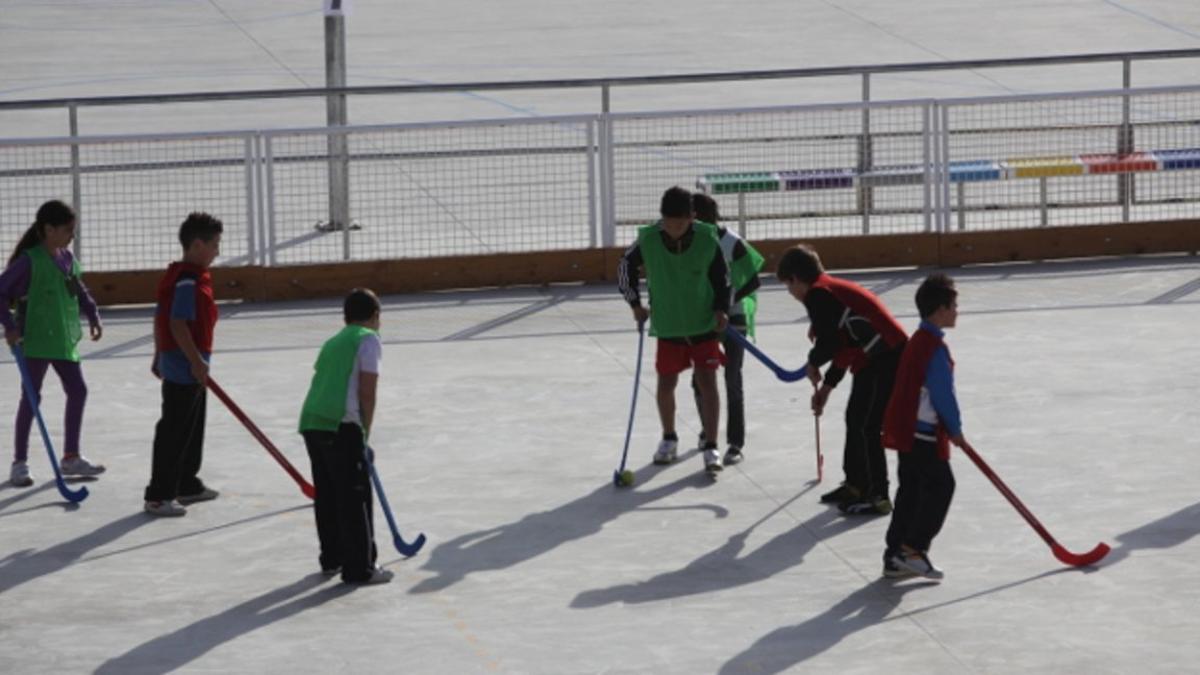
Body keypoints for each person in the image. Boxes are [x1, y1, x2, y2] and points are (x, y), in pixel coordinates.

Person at [775, 244, 907, 515]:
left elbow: (830, 343)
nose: (791, 294)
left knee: (870, 426)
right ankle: (857, 483)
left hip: (889, 356)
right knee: (855, 417)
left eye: (789, 287)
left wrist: (813, 362)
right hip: (871, 357)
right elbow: (845, 347)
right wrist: (826, 387)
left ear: (796, 280)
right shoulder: (829, 292)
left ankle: (879, 495)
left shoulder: (819, 294)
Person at [617, 186, 731, 475]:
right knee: (666, 384)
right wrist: (635, 305)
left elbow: (722, 278)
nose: (673, 228)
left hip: (703, 324)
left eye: (680, 222)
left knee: (708, 384)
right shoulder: (649, 239)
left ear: (692, 218)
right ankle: (669, 438)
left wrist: (721, 309)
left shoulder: (707, 238)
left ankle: (711, 445)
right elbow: (624, 269)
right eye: (668, 222)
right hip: (667, 326)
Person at [1, 200, 106, 487]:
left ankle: (71, 457)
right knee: (32, 400)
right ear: (48, 230)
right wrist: (9, 326)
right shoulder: (29, 261)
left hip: (62, 339)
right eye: (67, 230)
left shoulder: (67, 259)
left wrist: (92, 312)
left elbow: (78, 287)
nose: (72, 235)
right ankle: (19, 462)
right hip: (34, 340)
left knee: (78, 390)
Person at [299, 288, 393, 585]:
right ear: (376, 316)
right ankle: (359, 568)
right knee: (355, 496)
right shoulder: (368, 339)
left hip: (313, 421)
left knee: (327, 493)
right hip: (342, 425)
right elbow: (367, 391)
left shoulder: (334, 341)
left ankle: (333, 558)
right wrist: (364, 434)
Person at [881, 274, 964, 580]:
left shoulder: (918, 341)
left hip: (907, 433)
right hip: (923, 436)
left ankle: (895, 554)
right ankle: (913, 549)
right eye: (954, 305)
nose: (957, 311)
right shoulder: (933, 348)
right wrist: (955, 429)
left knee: (911, 492)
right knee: (942, 487)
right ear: (940, 310)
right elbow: (943, 395)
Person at [144, 212, 223, 516]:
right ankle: (159, 495)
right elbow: (177, 323)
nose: (217, 251)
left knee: (192, 426)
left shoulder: (184, 276)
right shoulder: (187, 281)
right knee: (174, 430)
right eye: (214, 244)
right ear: (197, 245)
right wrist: (195, 361)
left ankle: (187, 483)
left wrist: (157, 354)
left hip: (190, 364)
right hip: (184, 366)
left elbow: (158, 315)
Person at [689, 193, 764, 466]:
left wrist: (727, 302)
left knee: (733, 379)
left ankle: (735, 442)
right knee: (699, 379)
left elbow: (753, 281)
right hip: (702, 319)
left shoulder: (731, 242)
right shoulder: (691, 242)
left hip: (733, 317)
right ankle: (707, 431)